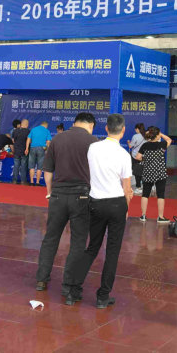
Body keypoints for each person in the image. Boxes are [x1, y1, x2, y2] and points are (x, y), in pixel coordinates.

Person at [69, 114, 133, 308]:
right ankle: (103, 297)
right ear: (123, 130)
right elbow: (127, 188)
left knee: (92, 247)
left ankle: (73, 291)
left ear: (106, 128)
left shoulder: (93, 148)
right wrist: (126, 208)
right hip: (117, 204)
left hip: (96, 203)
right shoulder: (124, 155)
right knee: (112, 252)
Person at [35, 113, 98, 299]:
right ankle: (68, 285)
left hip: (58, 195)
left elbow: (48, 170)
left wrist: (49, 192)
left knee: (51, 237)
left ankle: (41, 279)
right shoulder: (94, 142)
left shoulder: (57, 139)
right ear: (91, 125)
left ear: (75, 122)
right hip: (82, 196)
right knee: (78, 242)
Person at [136, 126, 172, 223]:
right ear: (157, 135)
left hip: (148, 172)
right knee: (160, 195)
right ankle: (160, 217)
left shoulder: (145, 145)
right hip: (160, 173)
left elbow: (138, 157)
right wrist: (161, 134)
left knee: (145, 194)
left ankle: (143, 215)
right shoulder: (162, 145)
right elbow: (169, 140)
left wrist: (146, 160)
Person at [28, 121, 52, 186]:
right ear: (46, 125)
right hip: (42, 148)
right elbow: (48, 142)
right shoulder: (47, 131)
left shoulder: (34, 129)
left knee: (31, 166)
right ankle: (37, 182)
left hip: (32, 148)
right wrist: (47, 149)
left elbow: (29, 139)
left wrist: (27, 148)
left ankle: (31, 182)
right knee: (39, 167)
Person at [128, 123, 146, 196]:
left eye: (136, 129)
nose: (135, 130)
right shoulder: (146, 136)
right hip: (144, 156)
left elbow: (130, 146)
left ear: (138, 129)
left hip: (135, 156)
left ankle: (138, 187)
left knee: (136, 172)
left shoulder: (135, 136)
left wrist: (128, 142)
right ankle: (144, 186)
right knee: (143, 170)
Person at [11, 119, 30, 184]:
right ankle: (23, 181)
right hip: (24, 151)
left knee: (16, 166)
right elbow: (29, 141)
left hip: (16, 150)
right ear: (27, 125)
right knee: (23, 166)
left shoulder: (15, 130)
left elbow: (13, 141)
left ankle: (14, 180)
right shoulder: (28, 131)